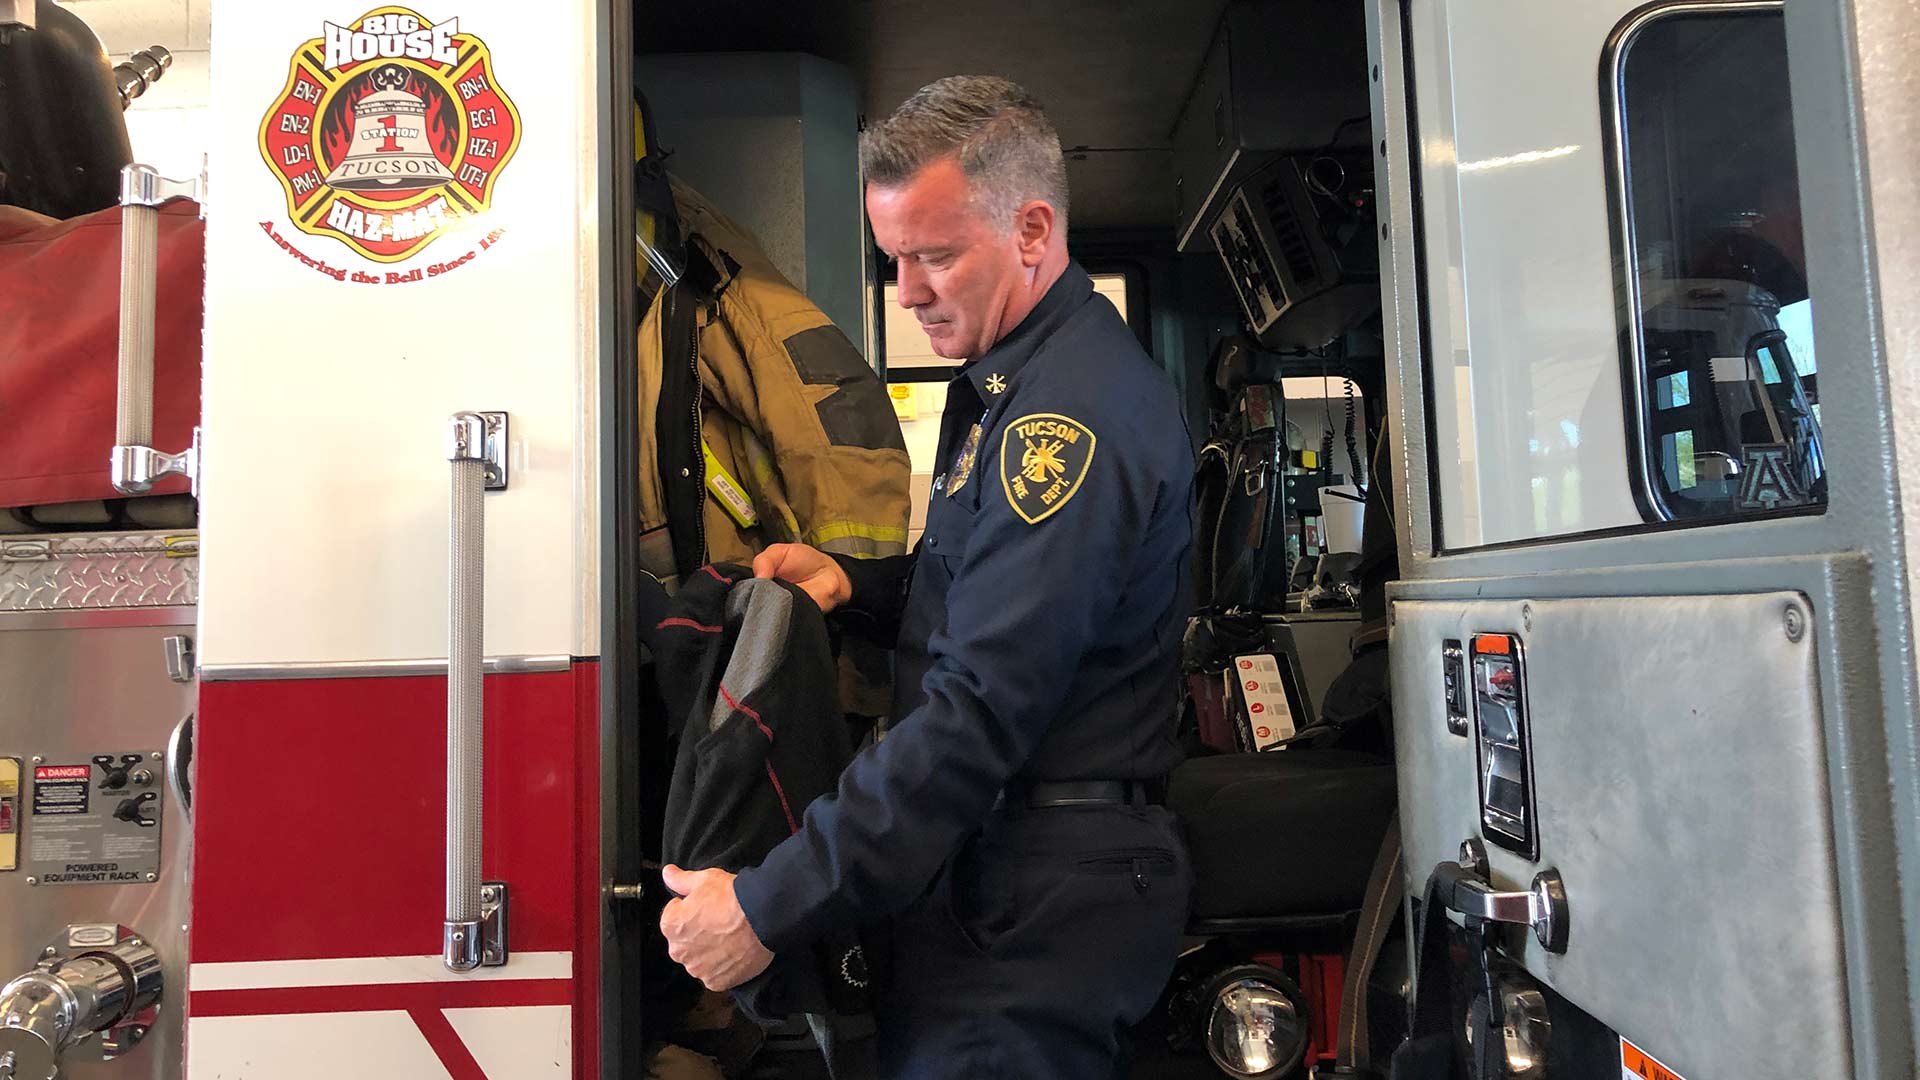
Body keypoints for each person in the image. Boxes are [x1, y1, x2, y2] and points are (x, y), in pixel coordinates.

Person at [659, 75, 1195, 1077]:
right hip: (998, 879)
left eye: (934, 256)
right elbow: (982, 599)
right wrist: (854, 590)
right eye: (894, 257)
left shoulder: (1062, 419)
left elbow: (980, 706)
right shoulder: (1016, 381)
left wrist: (772, 903)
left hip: (1035, 905)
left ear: (1031, 229)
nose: (907, 291)